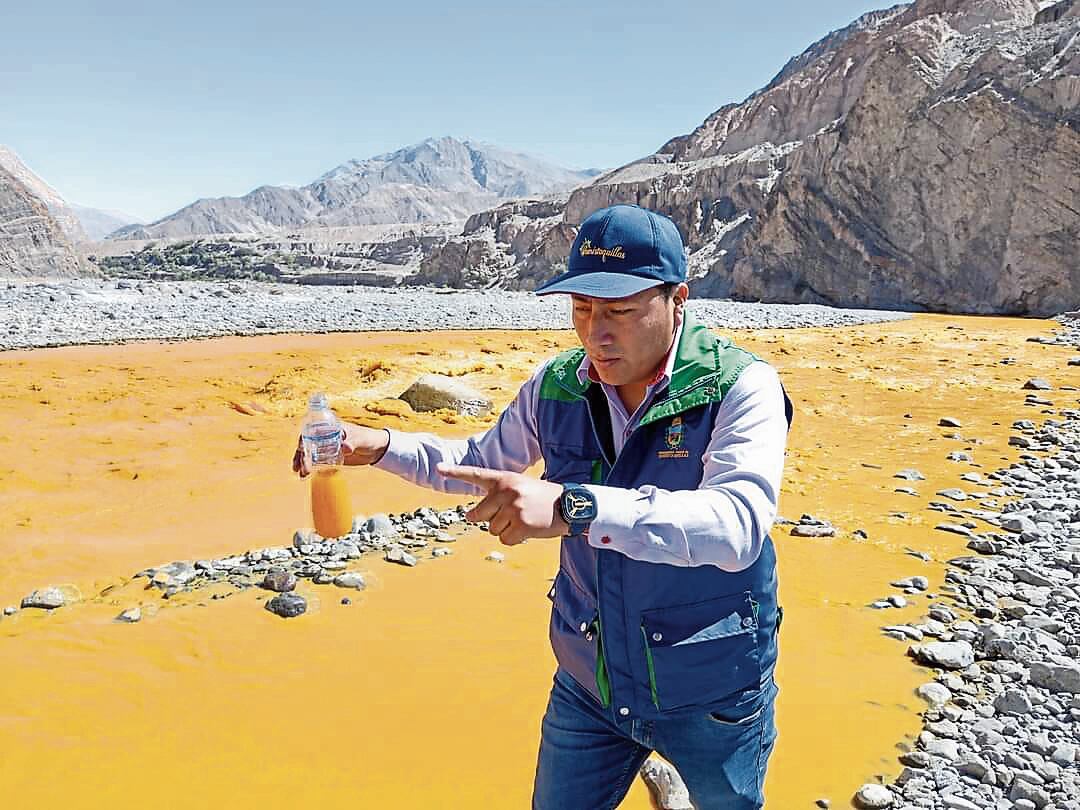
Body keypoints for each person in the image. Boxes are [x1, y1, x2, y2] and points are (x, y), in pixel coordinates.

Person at [292, 204, 792, 809]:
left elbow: (736, 525)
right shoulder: (556, 386)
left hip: (712, 690)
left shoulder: (741, 387)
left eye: (620, 311)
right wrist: (378, 445)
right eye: (581, 309)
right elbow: (481, 461)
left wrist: (574, 507)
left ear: (678, 299)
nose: (596, 333)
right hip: (591, 682)